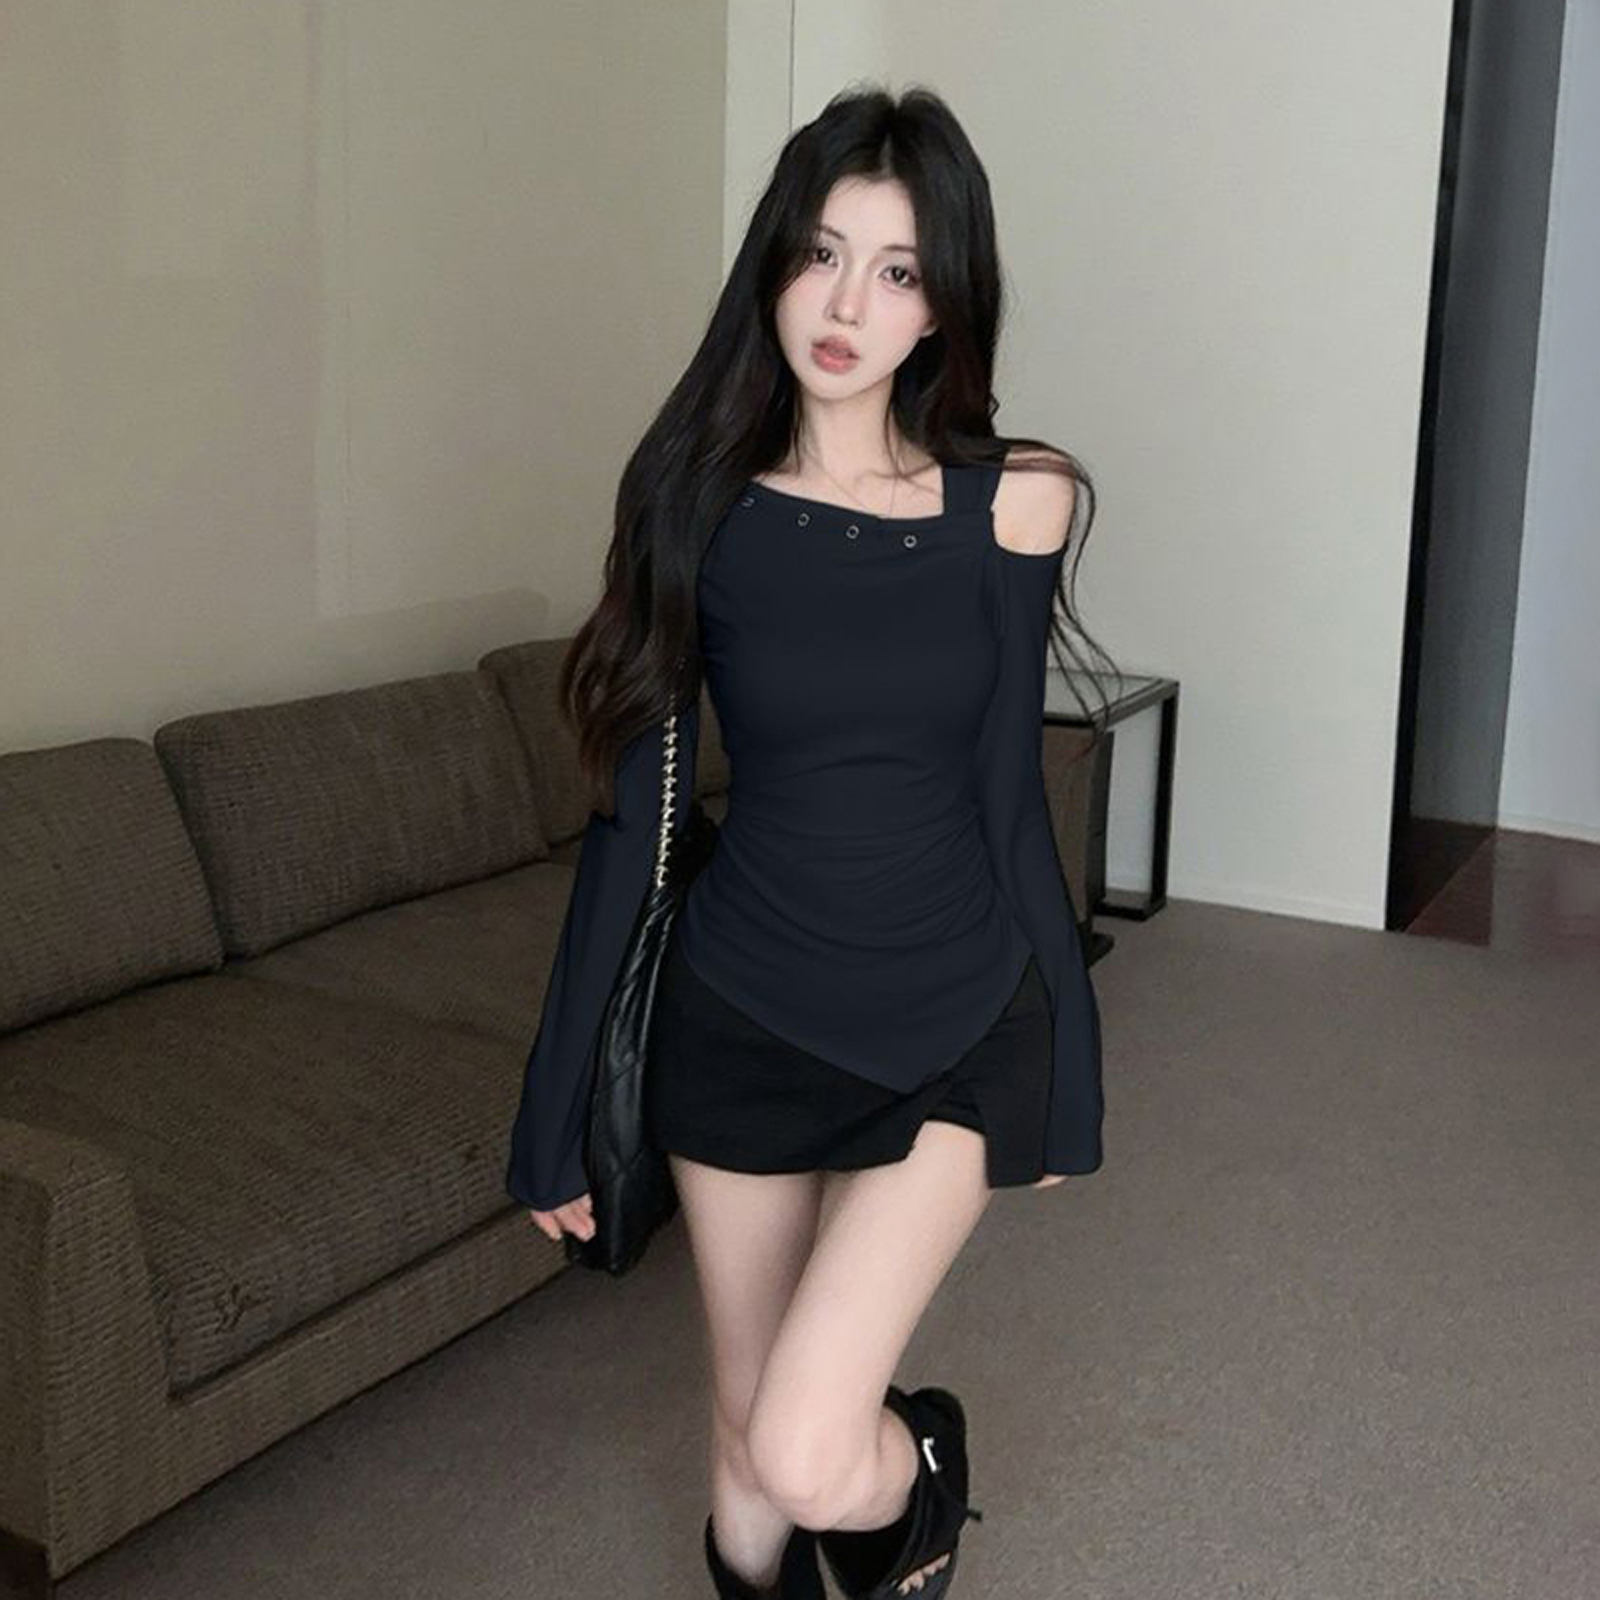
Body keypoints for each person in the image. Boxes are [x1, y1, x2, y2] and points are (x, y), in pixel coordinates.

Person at [504, 84, 1117, 1600]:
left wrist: (1074, 1066)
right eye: (822, 254)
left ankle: (922, 1471)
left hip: (960, 1014)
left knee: (802, 1440)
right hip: (747, 1013)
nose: (847, 307)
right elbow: (635, 825)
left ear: (942, 305)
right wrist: (553, 1103)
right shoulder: (694, 507)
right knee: (744, 1447)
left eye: (897, 271)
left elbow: (1008, 796)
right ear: (773, 262)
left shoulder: (1016, 506)